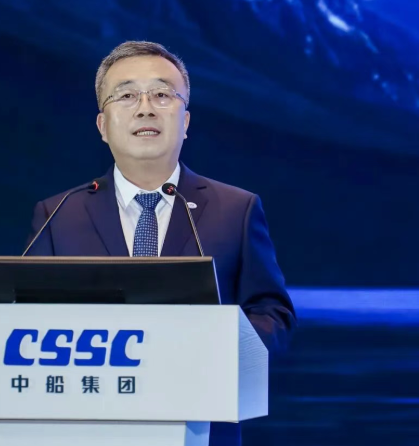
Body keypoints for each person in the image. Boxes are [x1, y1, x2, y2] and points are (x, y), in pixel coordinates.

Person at [25, 40, 297, 445]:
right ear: (102, 126)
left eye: (162, 94)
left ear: (185, 122)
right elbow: (25, 320)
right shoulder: (58, 213)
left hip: (202, 427)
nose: (145, 108)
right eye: (126, 96)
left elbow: (273, 315)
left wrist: (216, 348)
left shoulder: (236, 209)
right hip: (87, 426)